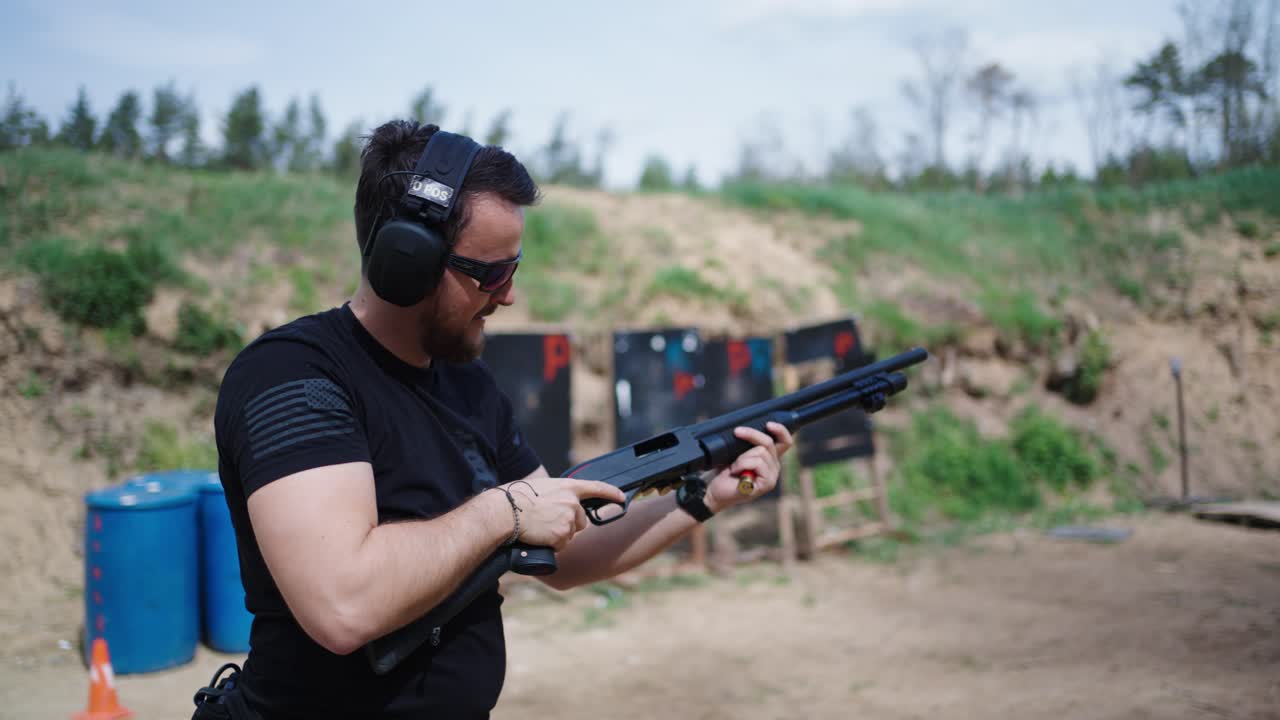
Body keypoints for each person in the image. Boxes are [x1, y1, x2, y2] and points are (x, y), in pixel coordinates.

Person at [209, 120, 793, 719]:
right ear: (406, 261)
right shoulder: (294, 376)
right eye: (491, 273)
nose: (508, 295)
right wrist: (505, 509)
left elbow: (567, 552)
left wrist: (702, 500)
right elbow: (342, 605)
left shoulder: (466, 383)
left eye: (514, 268)